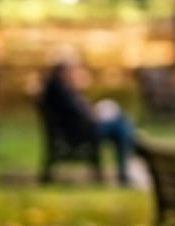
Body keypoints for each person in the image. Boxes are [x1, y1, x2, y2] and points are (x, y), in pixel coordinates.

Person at [37, 55, 141, 185]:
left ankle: (128, 164)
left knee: (122, 125)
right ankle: (125, 171)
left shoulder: (59, 89)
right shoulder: (60, 91)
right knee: (121, 129)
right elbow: (79, 115)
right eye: (73, 71)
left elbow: (78, 111)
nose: (75, 74)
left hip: (81, 130)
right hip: (82, 133)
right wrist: (94, 113)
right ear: (64, 72)